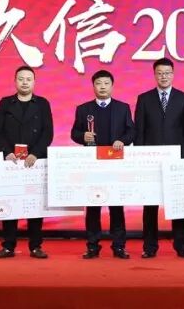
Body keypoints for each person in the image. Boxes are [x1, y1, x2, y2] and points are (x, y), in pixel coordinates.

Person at [70, 70, 135, 259]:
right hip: (92, 165)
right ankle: (92, 246)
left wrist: (123, 140)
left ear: (112, 86)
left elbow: (131, 131)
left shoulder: (123, 108)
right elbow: (74, 133)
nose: (103, 87)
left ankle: (119, 246)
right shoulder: (83, 109)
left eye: (106, 83)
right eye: (99, 83)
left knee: (116, 206)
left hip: (115, 164)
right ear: (93, 86)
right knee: (93, 205)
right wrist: (83, 136)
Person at [0, 65, 54, 259]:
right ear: (15, 81)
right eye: (21, 79)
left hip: (35, 161)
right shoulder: (5, 103)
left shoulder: (42, 103)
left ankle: (36, 246)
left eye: (28, 79)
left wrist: (36, 153)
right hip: (11, 161)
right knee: (9, 202)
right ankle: (8, 246)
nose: (24, 82)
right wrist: (6, 152)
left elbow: (48, 132)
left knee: (35, 204)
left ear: (34, 82)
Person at [134, 58, 184, 258]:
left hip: (176, 162)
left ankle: (182, 246)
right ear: (155, 75)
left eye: (167, 73)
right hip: (150, 162)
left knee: (178, 205)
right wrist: (140, 160)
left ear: (173, 74)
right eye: (160, 73)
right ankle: (149, 247)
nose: (164, 76)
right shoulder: (144, 99)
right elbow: (139, 133)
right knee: (150, 207)